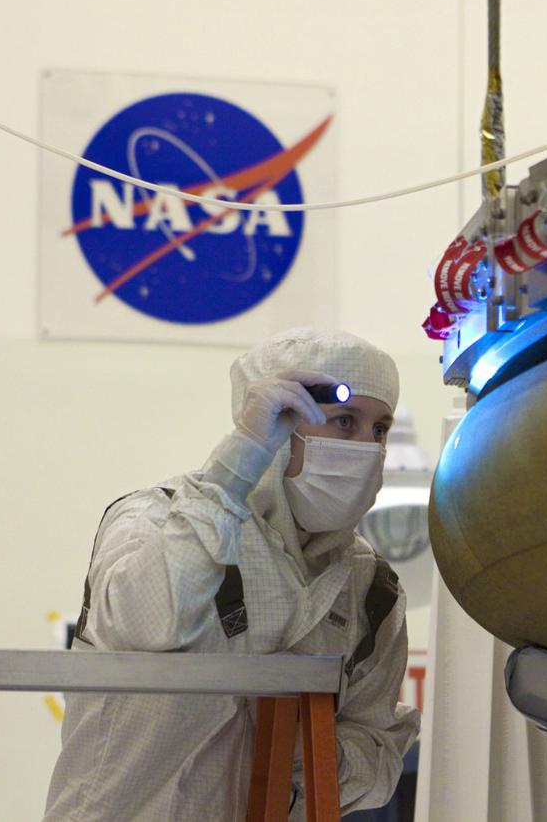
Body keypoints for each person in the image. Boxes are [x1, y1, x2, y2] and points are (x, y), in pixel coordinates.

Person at [44, 327, 420, 821]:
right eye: (344, 421)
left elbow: (377, 750)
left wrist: (297, 743)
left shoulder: (369, 589)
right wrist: (241, 458)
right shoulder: (157, 519)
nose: (368, 447)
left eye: (379, 429)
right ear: (279, 427)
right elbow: (141, 620)